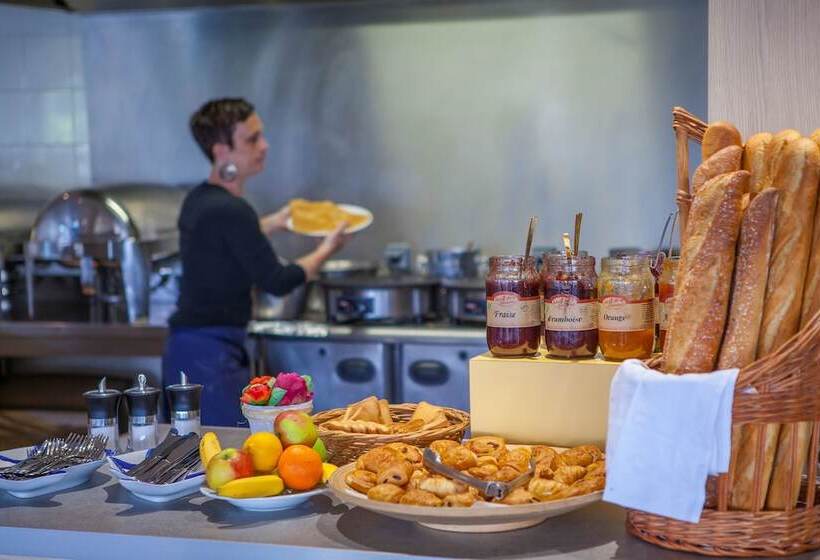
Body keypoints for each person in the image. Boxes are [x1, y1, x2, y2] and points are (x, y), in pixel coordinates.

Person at [162, 98, 348, 426]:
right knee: (221, 451)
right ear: (222, 152)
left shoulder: (200, 199)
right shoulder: (232, 210)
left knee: (197, 453)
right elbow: (276, 280)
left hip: (189, 347)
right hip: (211, 356)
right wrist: (326, 250)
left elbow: (225, 242)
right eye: (252, 139)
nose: (264, 146)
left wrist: (276, 221)